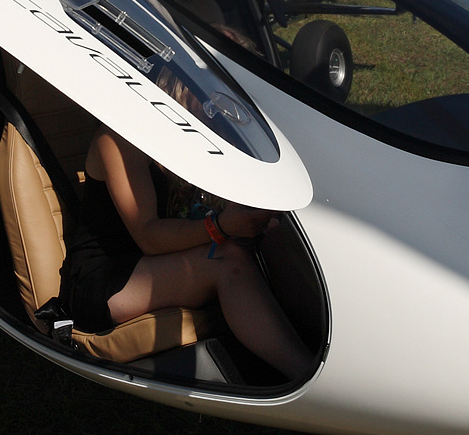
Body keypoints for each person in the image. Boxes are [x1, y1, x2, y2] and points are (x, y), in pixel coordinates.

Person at [58, 127, 315, 380]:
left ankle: (317, 341)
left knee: (273, 232)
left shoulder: (185, 134)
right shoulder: (116, 140)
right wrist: (221, 226)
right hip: (105, 278)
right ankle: (304, 375)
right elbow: (148, 235)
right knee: (226, 260)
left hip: (154, 260)